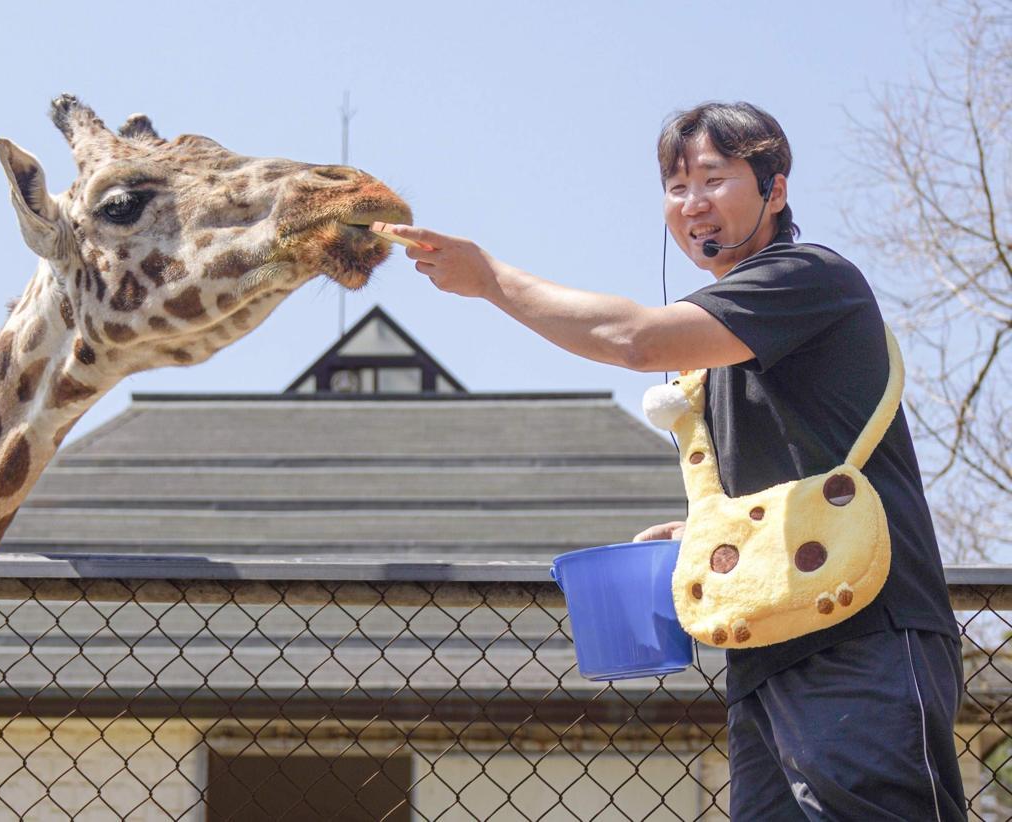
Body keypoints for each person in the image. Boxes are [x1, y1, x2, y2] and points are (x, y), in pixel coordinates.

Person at [385, 102, 965, 821]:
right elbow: (788, 472)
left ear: (775, 190)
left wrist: (489, 278)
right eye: (676, 186)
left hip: (863, 632)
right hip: (768, 643)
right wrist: (704, 530)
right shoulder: (718, 355)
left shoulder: (809, 275)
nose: (692, 204)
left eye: (714, 180)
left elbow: (637, 340)